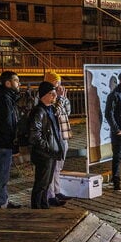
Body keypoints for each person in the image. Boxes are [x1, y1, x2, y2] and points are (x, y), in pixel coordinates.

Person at [28, 81, 64, 209]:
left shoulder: (51, 109)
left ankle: (44, 204)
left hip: (51, 152)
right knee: (41, 183)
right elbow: (35, 135)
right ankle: (36, 206)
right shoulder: (39, 112)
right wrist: (47, 148)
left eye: (55, 93)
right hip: (44, 153)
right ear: (43, 95)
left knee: (47, 182)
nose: (54, 96)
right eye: (51, 93)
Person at [0, 71, 21, 209]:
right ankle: (2, 203)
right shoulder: (4, 98)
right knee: (2, 173)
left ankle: (3, 200)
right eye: (16, 80)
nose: (19, 83)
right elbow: (7, 124)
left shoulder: (6, 97)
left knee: (2, 172)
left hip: (2, 141)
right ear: (8, 83)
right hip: (3, 142)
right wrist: (13, 143)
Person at [44, 72, 71, 206]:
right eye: (56, 82)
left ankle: (57, 190)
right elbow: (55, 112)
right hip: (54, 136)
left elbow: (67, 111)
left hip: (63, 134)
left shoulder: (58, 96)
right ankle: (50, 195)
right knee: (52, 166)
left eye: (59, 82)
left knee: (59, 166)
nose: (59, 85)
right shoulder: (46, 95)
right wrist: (60, 98)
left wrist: (64, 99)